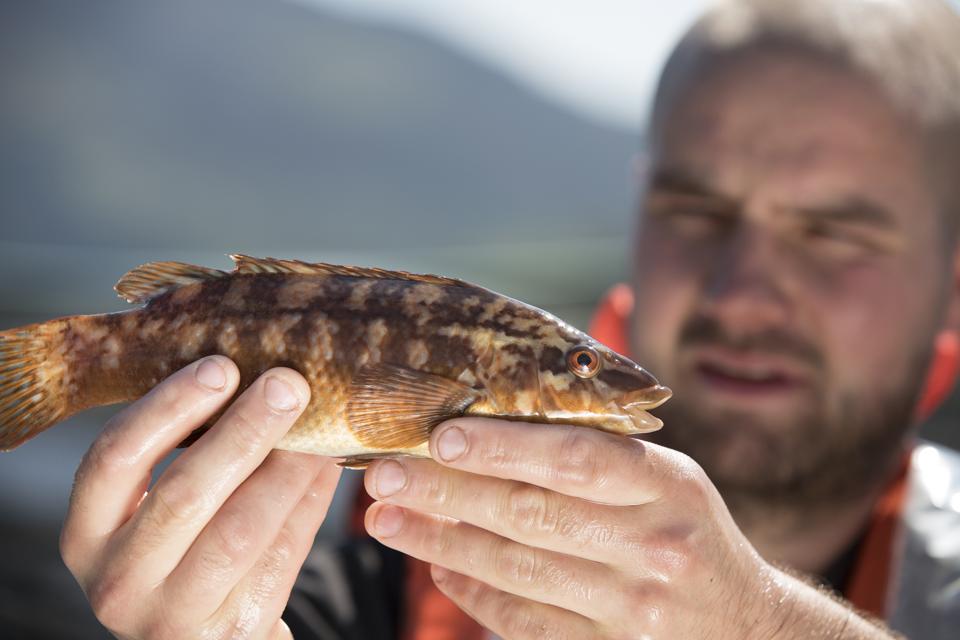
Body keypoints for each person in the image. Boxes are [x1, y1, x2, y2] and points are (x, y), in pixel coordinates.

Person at [58, 0, 960, 638]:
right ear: (639, 213)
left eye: (835, 233)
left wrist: (766, 630)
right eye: (697, 211)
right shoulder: (362, 560)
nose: (744, 290)